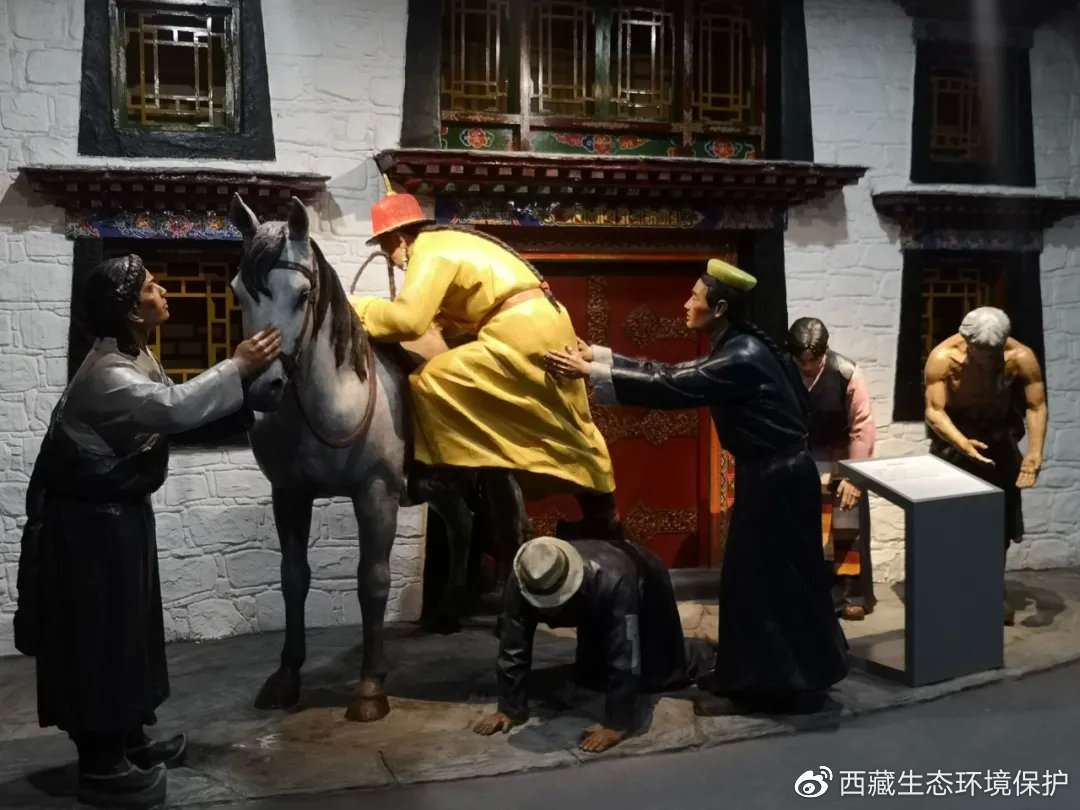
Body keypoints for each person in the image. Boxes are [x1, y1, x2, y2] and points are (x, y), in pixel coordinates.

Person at [14, 255, 281, 809]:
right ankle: (102, 764)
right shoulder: (108, 375)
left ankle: (129, 738)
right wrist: (237, 366)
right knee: (100, 638)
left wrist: (245, 402)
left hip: (118, 520)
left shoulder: (134, 355)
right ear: (131, 310)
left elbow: (165, 420)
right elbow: (173, 409)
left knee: (129, 632)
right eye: (154, 288)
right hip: (88, 531)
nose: (165, 294)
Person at [545, 258, 848, 715]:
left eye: (695, 297)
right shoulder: (738, 347)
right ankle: (762, 677)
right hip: (773, 477)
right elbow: (677, 370)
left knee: (768, 583)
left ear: (720, 308)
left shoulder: (742, 356)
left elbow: (675, 383)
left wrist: (592, 373)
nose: (687, 304)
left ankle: (776, 685)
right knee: (758, 581)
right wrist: (603, 359)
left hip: (779, 483)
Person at [348, 181, 619, 538]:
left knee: (431, 382)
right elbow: (451, 312)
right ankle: (602, 514)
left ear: (398, 238)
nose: (392, 260)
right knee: (561, 419)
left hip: (517, 329)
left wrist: (360, 309)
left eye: (386, 248)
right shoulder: (451, 242)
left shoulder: (429, 251)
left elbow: (409, 321)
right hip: (544, 321)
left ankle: (441, 471)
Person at [472, 536, 715, 752]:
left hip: (643, 575)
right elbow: (513, 647)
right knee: (592, 675)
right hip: (595, 587)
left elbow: (625, 652)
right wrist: (509, 708)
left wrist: (616, 724)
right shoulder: (525, 577)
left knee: (659, 673)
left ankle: (704, 650)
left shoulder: (616, 580)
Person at [924, 307, 1047, 626]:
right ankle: (952, 590)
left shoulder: (1021, 357)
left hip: (998, 438)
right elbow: (934, 411)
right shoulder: (943, 358)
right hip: (955, 439)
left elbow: (1036, 405)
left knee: (999, 522)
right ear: (966, 341)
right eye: (980, 352)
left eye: (993, 353)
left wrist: (1034, 454)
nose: (987, 360)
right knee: (950, 520)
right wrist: (962, 443)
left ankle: (991, 591)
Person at [788, 317, 877, 621]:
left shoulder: (846, 373)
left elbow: (862, 427)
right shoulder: (781, 370)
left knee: (845, 521)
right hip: (795, 457)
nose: (807, 367)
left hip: (838, 455)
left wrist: (854, 476)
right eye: (801, 361)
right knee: (797, 526)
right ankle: (802, 592)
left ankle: (850, 593)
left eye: (813, 361)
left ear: (824, 352)